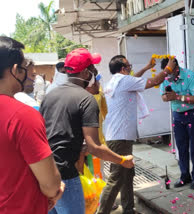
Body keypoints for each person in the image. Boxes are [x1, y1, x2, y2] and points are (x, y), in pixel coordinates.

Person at [40, 48, 134, 214]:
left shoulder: (50, 95)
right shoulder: (86, 99)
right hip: (66, 174)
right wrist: (122, 160)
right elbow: (94, 147)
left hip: (45, 173)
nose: (96, 74)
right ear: (85, 73)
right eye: (93, 70)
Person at [0, 36, 64, 214]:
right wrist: (58, 187)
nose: (29, 77)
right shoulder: (23, 115)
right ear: (16, 70)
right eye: (25, 70)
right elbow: (50, 186)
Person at [97, 55, 176, 214]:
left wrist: (147, 67)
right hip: (120, 137)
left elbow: (134, 79)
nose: (131, 68)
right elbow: (153, 82)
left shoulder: (115, 81)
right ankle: (102, 211)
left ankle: (128, 209)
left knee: (127, 174)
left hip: (118, 135)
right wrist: (168, 68)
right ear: (122, 68)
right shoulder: (123, 81)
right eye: (129, 65)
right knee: (117, 178)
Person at [160, 58, 194, 190]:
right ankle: (185, 176)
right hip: (178, 115)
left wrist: (178, 97)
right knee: (181, 146)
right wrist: (166, 97)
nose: (167, 76)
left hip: (193, 114)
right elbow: (163, 96)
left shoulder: (190, 76)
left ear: (176, 69)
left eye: (169, 72)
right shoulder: (165, 76)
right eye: (165, 73)